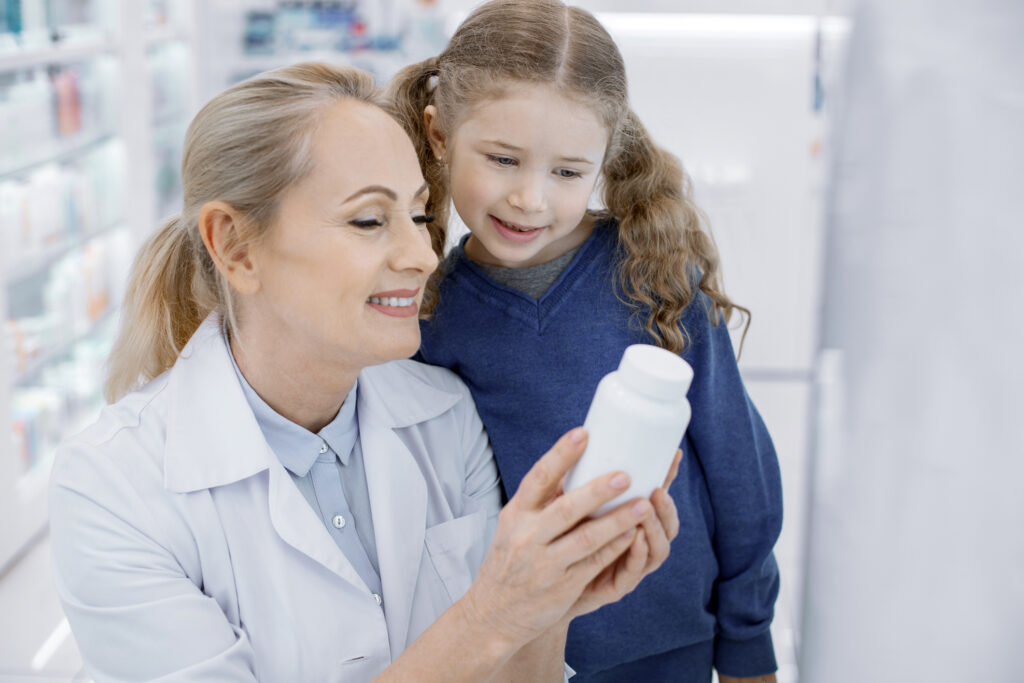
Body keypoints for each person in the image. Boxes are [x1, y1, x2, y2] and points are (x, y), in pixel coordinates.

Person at [47, 63, 681, 682]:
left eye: (419, 215)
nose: (423, 256)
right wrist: (496, 612)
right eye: (370, 221)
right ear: (236, 248)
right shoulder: (110, 487)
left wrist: (549, 605)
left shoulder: (446, 415)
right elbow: (486, 630)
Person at [387, 1, 783, 681]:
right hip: (525, 658)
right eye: (503, 158)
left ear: (604, 158)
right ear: (441, 134)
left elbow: (739, 467)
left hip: (678, 646)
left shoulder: (655, 270)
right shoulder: (431, 318)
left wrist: (750, 646)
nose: (530, 198)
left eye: (567, 172)